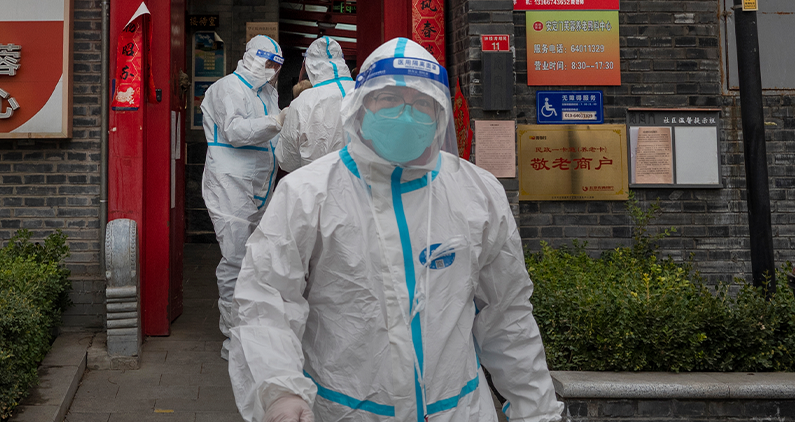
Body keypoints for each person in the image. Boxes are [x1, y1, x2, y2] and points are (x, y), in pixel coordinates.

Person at [229, 38, 565, 422]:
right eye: (388, 100)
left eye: (422, 104)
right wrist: (280, 390)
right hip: (345, 412)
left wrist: (537, 409)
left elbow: (507, 315)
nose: (406, 115)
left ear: (439, 115)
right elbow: (267, 300)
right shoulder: (308, 195)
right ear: (360, 108)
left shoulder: (477, 193)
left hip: (458, 411)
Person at [201, 34, 285, 360]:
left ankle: (252, 329)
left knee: (258, 260)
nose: (272, 71)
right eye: (267, 63)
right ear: (251, 57)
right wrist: (277, 121)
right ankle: (234, 339)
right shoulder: (227, 88)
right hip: (230, 185)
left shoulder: (268, 93)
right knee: (236, 260)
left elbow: (273, 137)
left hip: (261, 185)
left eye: (276, 66)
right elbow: (236, 132)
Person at [275, 37, 354, 173]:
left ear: (308, 66)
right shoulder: (365, 92)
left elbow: (286, 161)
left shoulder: (303, 102)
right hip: (361, 189)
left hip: (317, 188)